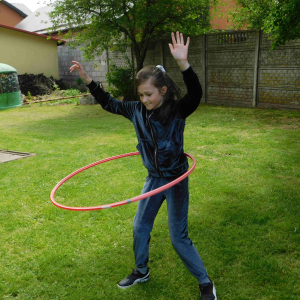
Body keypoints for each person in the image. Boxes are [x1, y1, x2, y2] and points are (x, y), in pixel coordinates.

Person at [70, 31, 217, 300]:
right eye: (140, 96)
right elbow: (109, 103)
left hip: (175, 180)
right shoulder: (136, 111)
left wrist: (184, 64)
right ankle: (141, 270)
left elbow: (196, 93)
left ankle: (205, 283)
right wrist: (88, 80)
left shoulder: (176, 110)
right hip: (153, 179)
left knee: (178, 237)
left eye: (149, 95)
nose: (145, 100)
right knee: (139, 227)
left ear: (162, 90)